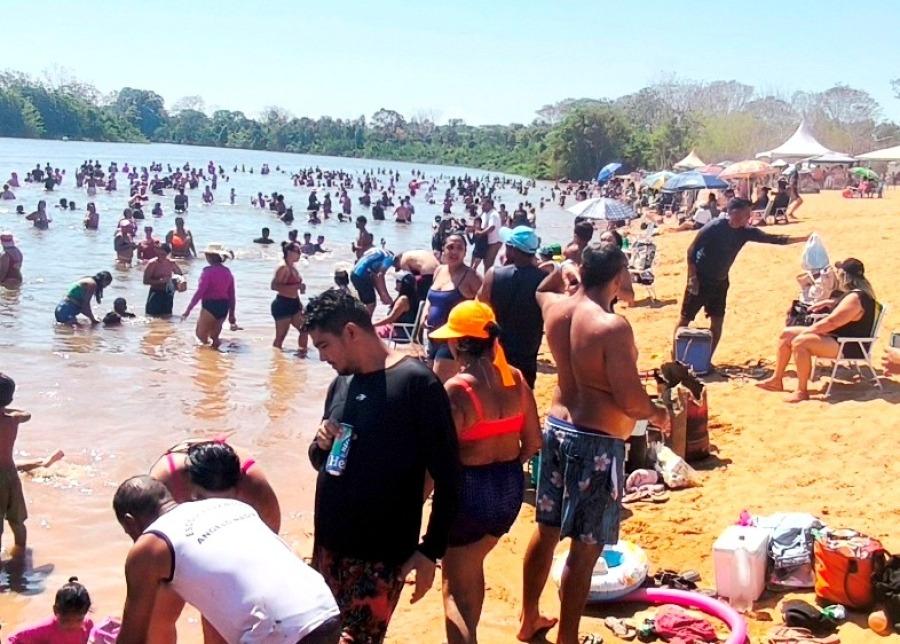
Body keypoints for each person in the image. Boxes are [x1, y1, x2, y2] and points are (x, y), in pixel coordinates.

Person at [518, 244, 670, 644]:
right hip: (596, 446)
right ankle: (567, 638)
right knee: (585, 549)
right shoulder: (610, 326)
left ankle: (528, 616)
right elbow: (630, 400)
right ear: (619, 275)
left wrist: (564, 267)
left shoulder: (555, 307)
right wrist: (657, 415)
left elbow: (540, 288)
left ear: (584, 271)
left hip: (557, 428)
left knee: (546, 529)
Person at [304, 289, 459, 643]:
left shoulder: (416, 385)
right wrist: (320, 443)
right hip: (329, 548)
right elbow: (324, 461)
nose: (322, 357)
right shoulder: (341, 383)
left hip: (379, 555)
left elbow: (450, 476)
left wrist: (429, 551)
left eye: (324, 346)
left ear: (351, 332)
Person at [429, 301, 541, 644]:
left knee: (453, 592)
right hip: (508, 488)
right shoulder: (517, 379)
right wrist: (506, 465)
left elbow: (439, 459)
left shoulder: (458, 390)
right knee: (472, 566)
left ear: (458, 343)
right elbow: (533, 442)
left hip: (469, 491)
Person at [112, 476, 340, 644]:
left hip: (279, 632)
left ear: (130, 522)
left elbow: (133, 638)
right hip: (325, 609)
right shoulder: (229, 505)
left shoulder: (151, 545)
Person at [676, 198, 806, 358]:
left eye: (748, 214)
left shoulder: (746, 232)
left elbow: (774, 239)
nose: (748, 217)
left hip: (721, 282)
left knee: (717, 322)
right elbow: (691, 251)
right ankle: (675, 357)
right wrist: (692, 277)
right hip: (701, 280)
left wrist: (803, 238)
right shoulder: (715, 227)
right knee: (685, 319)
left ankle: (706, 359)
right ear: (733, 212)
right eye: (745, 214)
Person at [757, 258, 878, 402]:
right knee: (786, 334)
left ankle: (801, 391)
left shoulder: (855, 298)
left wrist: (810, 331)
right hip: (838, 339)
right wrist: (830, 302)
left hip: (848, 345)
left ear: (844, 276)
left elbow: (832, 322)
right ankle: (776, 380)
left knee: (801, 342)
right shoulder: (856, 294)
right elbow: (841, 309)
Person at [478, 226, 545, 388]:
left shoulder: (494, 274)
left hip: (497, 347)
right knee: (523, 391)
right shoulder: (543, 279)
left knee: (495, 391)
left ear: (512, 249)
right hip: (528, 350)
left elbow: (480, 307)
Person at [425, 234, 483, 382]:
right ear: (443, 250)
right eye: (450, 247)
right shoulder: (439, 270)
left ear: (465, 253)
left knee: (439, 386)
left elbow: (486, 305)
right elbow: (430, 298)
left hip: (453, 341)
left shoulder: (471, 276)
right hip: (432, 337)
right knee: (431, 385)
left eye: (459, 248)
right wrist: (425, 313)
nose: (454, 252)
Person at [181, 243, 238, 349]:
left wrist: (188, 310)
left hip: (210, 305)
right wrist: (232, 315)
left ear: (210, 257)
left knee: (200, 335)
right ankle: (215, 358)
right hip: (223, 306)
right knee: (214, 336)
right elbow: (232, 295)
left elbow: (200, 292)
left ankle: (207, 359)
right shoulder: (227, 272)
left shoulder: (207, 271)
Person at [7, 576, 93, 643]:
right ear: (55, 611)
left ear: (86, 612)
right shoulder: (46, 629)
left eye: (79, 620)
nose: (72, 625)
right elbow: (13, 639)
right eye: (66, 620)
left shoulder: (88, 625)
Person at [1, 372, 31, 560]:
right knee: (17, 521)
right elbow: (27, 414)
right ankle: (20, 553)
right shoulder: (13, 420)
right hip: (11, 476)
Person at [271, 241, 309, 355]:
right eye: (297, 251)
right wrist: (297, 286)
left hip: (294, 302)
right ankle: (277, 362)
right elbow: (274, 286)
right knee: (280, 337)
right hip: (282, 304)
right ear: (289, 252)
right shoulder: (283, 267)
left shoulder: (293, 266)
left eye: (300, 251)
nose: (300, 253)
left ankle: (302, 356)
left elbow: (293, 287)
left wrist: (299, 292)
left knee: (305, 329)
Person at [373, 271, 420, 344]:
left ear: (404, 284)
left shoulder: (403, 300)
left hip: (401, 333)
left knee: (368, 332)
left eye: (398, 281)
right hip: (406, 331)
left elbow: (391, 318)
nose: (396, 282)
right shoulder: (412, 297)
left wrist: (373, 324)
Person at [350, 247, 395, 316]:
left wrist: (381, 295)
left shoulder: (376, 250)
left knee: (364, 303)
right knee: (371, 304)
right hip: (362, 276)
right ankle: (364, 324)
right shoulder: (390, 257)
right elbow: (380, 275)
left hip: (354, 273)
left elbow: (375, 277)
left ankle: (358, 320)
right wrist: (385, 295)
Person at [143, 243, 183, 317]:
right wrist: (160, 281)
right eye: (159, 253)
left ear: (167, 254)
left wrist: (179, 284)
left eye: (163, 254)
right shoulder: (152, 263)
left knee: (167, 317)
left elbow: (180, 275)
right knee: (151, 317)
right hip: (156, 293)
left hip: (168, 294)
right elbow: (145, 281)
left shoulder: (171, 263)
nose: (160, 256)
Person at [480, 199, 503, 270]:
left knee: (488, 263)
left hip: (495, 242)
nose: (482, 206)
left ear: (490, 205)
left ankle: (489, 280)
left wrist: (480, 233)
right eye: (481, 205)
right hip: (487, 241)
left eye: (484, 205)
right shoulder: (484, 214)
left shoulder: (493, 214)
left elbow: (491, 227)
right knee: (485, 263)